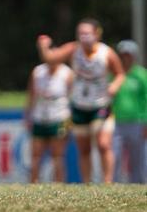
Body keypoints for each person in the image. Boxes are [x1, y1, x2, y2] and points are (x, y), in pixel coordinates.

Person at [36, 18, 125, 183]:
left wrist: (115, 85)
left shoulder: (106, 53)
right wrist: (43, 46)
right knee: (84, 149)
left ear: (97, 33)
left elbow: (120, 74)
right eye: (80, 33)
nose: (83, 37)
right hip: (79, 106)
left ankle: (107, 182)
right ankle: (87, 183)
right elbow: (51, 58)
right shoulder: (73, 49)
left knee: (103, 144)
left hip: (101, 105)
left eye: (87, 33)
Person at [24, 60, 74, 183]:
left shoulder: (67, 73)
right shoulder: (38, 71)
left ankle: (59, 186)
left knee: (58, 156)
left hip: (60, 118)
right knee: (35, 156)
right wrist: (27, 116)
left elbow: (73, 98)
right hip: (39, 117)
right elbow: (31, 95)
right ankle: (34, 185)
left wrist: (71, 121)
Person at [112, 40, 147, 183]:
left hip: (137, 123)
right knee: (115, 156)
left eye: (129, 55)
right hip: (116, 123)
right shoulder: (113, 74)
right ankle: (114, 184)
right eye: (123, 55)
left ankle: (138, 185)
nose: (126, 58)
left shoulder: (141, 75)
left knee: (137, 158)